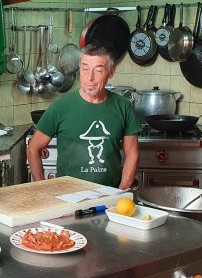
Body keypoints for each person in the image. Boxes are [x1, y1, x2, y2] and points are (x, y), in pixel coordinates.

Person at [26, 40, 141, 190]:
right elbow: (33, 148)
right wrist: (42, 188)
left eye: (98, 70)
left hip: (109, 195)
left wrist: (121, 191)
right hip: (67, 196)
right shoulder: (60, 107)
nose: (90, 77)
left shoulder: (123, 107)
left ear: (111, 72)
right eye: (85, 69)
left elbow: (132, 154)